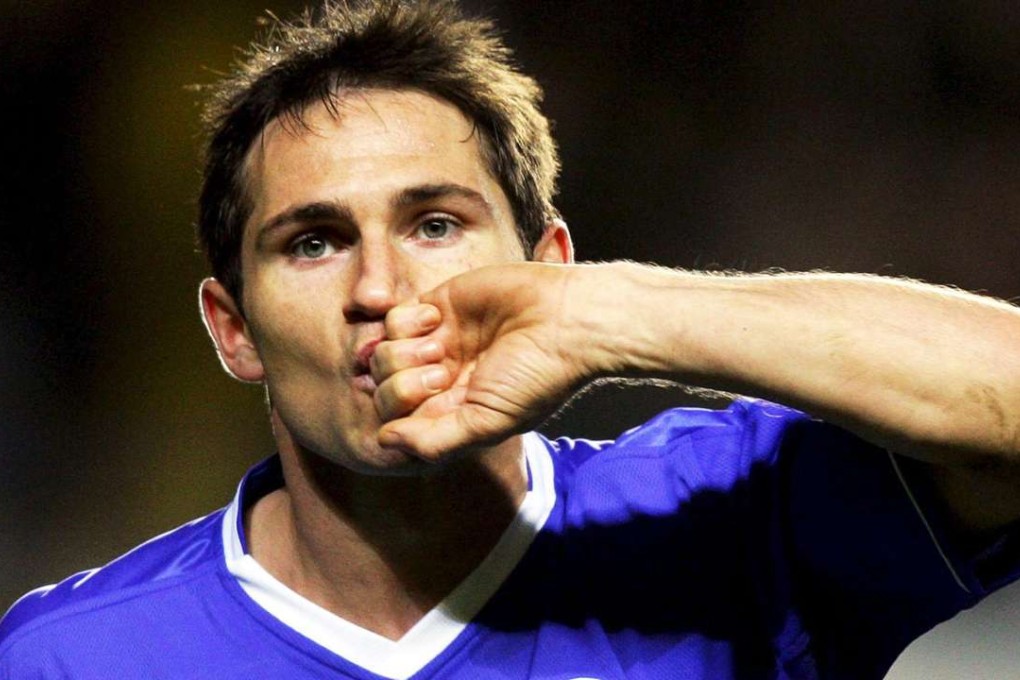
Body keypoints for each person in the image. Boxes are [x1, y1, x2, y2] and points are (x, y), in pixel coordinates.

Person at [2, 1, 1019, 678]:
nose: (380, 287)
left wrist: (615, 315)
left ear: (549, 263)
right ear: (234, 330)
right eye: (313, 242)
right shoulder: (70, 656)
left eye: (435, 223)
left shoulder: (728, 515)